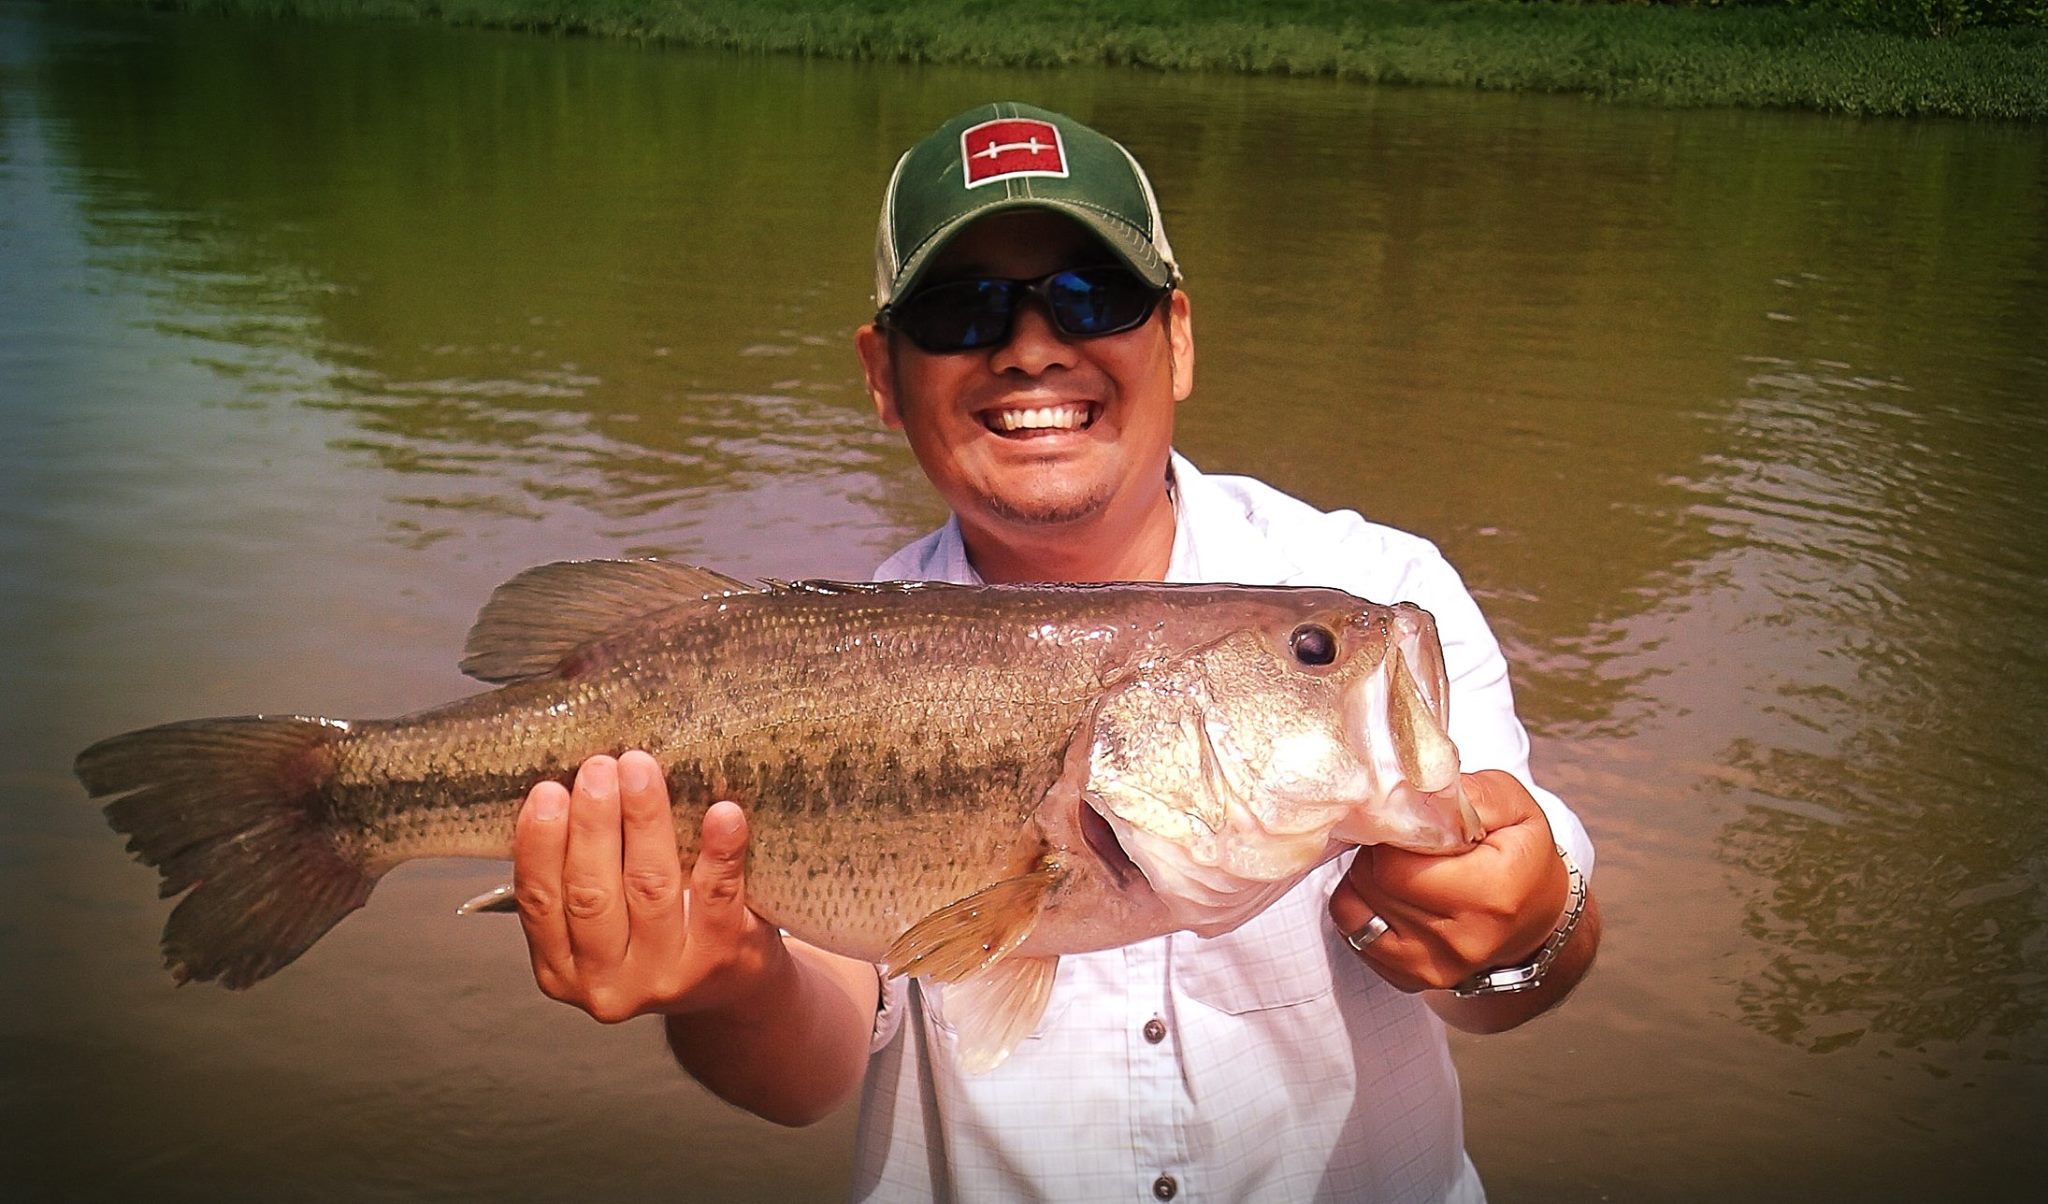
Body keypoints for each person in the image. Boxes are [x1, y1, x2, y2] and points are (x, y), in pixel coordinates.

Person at [509, 102, 1601, 1202]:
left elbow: (1510, 986)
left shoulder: (1381, 587)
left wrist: (1526, 927)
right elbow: (808, 1072)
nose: (1031, 347)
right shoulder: (832, 664)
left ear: (1177, 337)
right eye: (959, 309)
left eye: (1093, 294)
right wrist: (726, 986)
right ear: (882, 374)